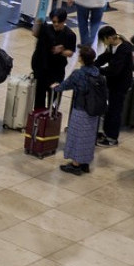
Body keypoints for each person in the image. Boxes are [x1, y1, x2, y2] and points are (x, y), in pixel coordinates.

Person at [51, 47, 103, 175]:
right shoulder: (97, 72)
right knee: (88, 137)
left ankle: (75, 165)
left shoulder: (78, 74)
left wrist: (55, 87)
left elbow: (65, 85)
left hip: (81, 109)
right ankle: (85, 163)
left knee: (77, 136)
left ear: (82, 59)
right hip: (94, 110)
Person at [94, 26, 134, 147]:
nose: (103, 43)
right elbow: (104, 57)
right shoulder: (113, 46)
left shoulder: (124, 49)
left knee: (115, 110)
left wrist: (99, 70)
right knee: (110, 109)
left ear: (109, 38)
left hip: (121, 84)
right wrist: (93, 64)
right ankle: (106, 132)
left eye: (103, 40)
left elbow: (114, 70)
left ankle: (112, 137)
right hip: (113, 83)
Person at [31, 10, 78, 111]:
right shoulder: (46, 29)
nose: (56, 24)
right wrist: (37, 22)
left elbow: (70, 53)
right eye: (54, 22)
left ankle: (52, 116)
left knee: (54, 95)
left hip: (56, 70)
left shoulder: (69, 34)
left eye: (58, 22)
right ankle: (39, 115)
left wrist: (61, 51)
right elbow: (35, 33)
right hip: (42, 68)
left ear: (64, 20)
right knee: (39, 94)